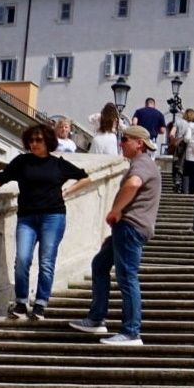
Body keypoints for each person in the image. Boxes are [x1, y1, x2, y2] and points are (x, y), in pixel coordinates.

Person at [0, 122, 89, 319]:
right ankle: (21, 303)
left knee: (46, 262)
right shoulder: (22, 162)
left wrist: (67, 190)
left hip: (53, 217)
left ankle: (41, 303)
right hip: (27, 218)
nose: (34, 144)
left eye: (39, 140)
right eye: (31, 140)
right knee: (22, 260)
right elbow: (2, 177)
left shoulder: (58, 164)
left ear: (48, 141)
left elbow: (85, 177)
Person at [68, 124, 160, 346]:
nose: (121, 143)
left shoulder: (142, 163)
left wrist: (115, 210)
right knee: (100, 265)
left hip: (130, 226)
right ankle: (97, 317)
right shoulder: (141, 164)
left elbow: (133, 184)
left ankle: (131, 331)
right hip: (128, 227)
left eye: (126, 139)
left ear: (139, 143)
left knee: (127, 276)